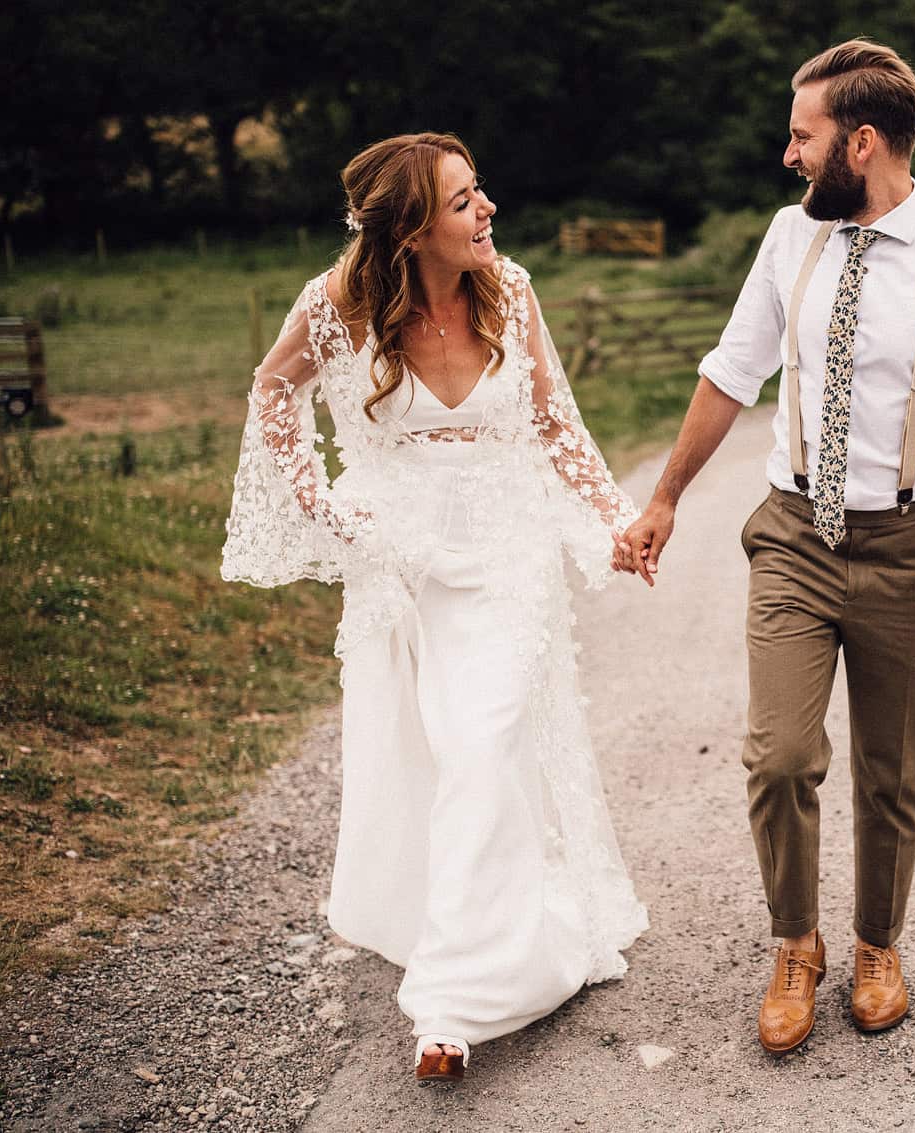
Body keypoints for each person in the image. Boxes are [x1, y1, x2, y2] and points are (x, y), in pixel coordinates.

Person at [615, 39, 915, 1053]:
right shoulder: (783, 240)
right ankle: (794, 942)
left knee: (890, 768)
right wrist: (665, 495)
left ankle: (876, 941)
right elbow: (733, 370)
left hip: (904, 547)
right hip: (794, 534)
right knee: (779, 756)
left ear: (860, 141)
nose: (786, 155)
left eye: (801, 136)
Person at [222, 132, 646, 1083]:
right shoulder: (335, 307)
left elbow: (554, 423)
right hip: (403, 558)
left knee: (485, 739)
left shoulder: (515, 291)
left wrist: (617, 517)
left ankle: (450, 1000)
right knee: (434, 750)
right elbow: (271, 391)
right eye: (463, 201)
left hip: (506, 551)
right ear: (411, 229)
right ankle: (458, 915)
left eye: (480, 191)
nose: (487, 208)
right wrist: (316, 499)